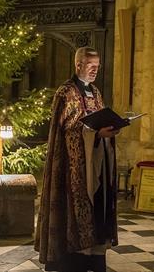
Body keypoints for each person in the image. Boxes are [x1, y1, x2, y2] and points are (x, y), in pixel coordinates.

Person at [34, 47, 120, 272]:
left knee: (96, 209)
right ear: (78, 65)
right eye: (91, 66)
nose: (95, 70)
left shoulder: (96, 92)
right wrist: (93, 134)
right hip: (71, 168)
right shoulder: (65, 92)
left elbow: (96, 119)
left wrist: (108, 130)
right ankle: (72, 259)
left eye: (97, 66)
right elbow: (66, 131)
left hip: (95, 162)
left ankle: (92, 255)